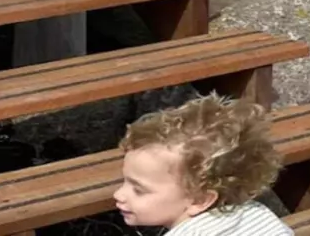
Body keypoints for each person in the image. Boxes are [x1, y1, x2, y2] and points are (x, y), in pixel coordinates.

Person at [114, 94, 292, 236]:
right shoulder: (258, 215)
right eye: (125, 182)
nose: (118, 194)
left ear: (200, 200)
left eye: (139, 190)